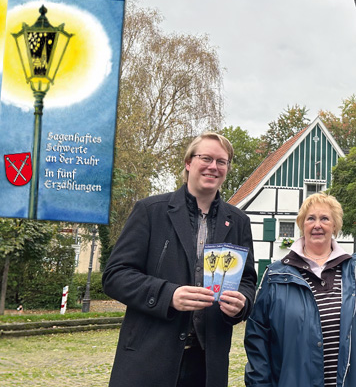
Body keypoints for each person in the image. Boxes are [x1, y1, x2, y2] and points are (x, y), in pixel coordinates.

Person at [103, 132, 257, 387]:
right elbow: (115, 275)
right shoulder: (151, 211)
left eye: (222, 161)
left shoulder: (238, 221)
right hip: (149, 359)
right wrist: (168, 295)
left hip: (207, 364)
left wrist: (242, 304)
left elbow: (248, 280)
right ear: (188, 163)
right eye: (206, 158)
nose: (213, 167)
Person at [244, 192, 356, 386]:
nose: (317, 224)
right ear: (302, 225)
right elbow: (257, 338)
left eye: (325, 218)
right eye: (311, 218)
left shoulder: (355, 272)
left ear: (334, 225)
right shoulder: (276, 275)